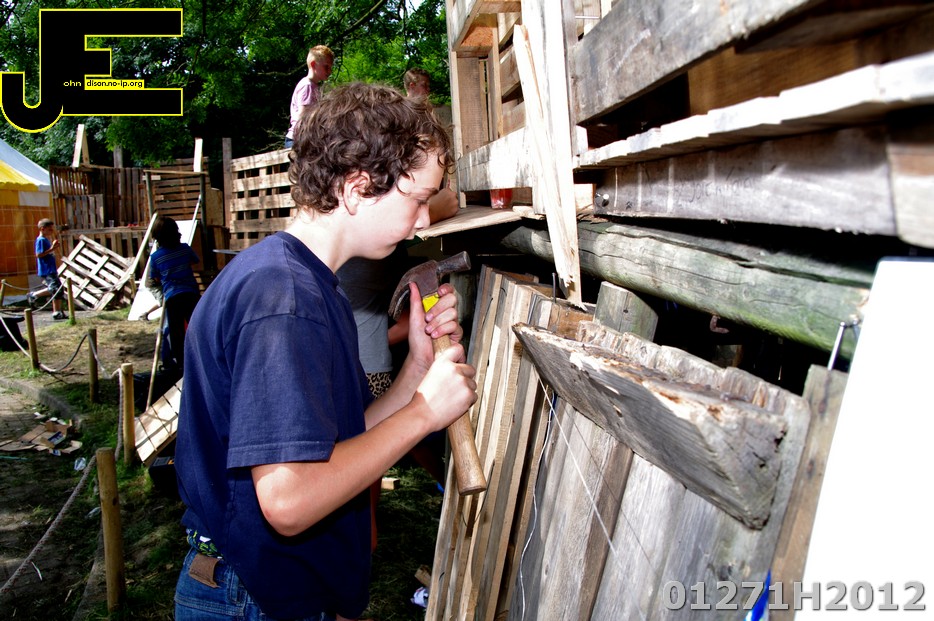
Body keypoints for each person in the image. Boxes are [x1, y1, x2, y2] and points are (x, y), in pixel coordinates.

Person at [173, 82, 478, 621]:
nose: (425, 220)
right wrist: (425, 414)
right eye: (418, 199)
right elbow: (289, 501)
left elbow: (336, 444)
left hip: (270, 585)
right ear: (357, 189)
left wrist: (416, 370)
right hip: (254, 596)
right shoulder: (285, 300)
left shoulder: (307, 284)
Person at [147, 216, 200, 373]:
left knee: (176, 332)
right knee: (196, 327)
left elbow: (155, 278)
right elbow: (194, 261)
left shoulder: (156, 257)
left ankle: (180, 363)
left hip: (173, 297)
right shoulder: (185, 249)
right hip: (191, 293)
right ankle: (201, 357)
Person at [284, 44, 334, 148]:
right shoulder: (307, 86)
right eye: (326, 67)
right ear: (313, 64)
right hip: (298, 139)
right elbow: (303, 118)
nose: (330, 71)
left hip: (304, 138)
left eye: (330, 67)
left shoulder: (314, 86)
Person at [28, 218, 66, 320]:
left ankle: (57, 310)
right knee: (55, 289)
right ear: (42, 228)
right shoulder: (41, 240)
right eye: (49, 229)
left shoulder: (46, 240)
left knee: (57, 289)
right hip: (46, 269)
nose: (51, 231)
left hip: (51, 268)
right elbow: (39, 254)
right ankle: (55, 311)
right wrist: (52, 248)